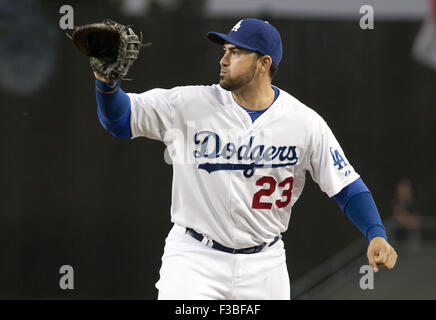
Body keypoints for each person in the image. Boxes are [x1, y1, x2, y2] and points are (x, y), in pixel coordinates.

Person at [93, 18, 397, 299]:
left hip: (265, 264)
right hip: (194, 258)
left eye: (236, 52)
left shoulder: (304, 123)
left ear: (264, 63)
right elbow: (119, 120)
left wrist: (376, 234)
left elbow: (347, 188)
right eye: (225, 50)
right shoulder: (188, 103)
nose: (223, 59)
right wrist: (106, 85)